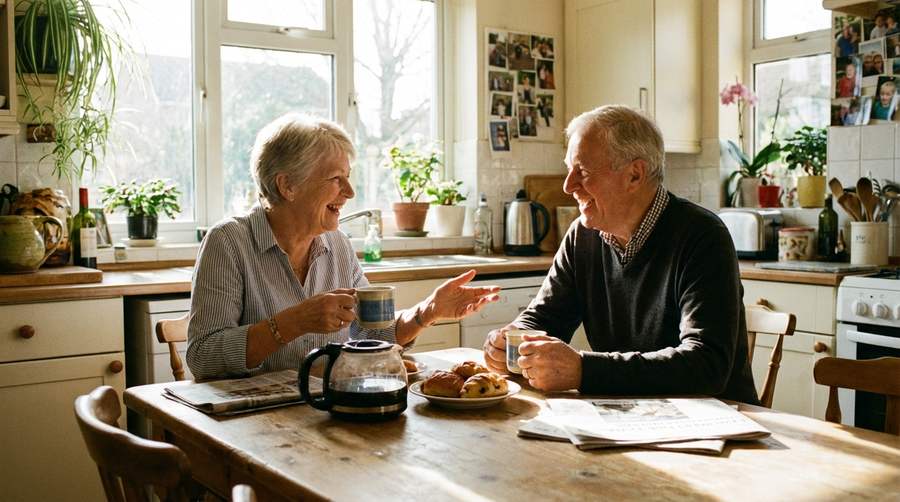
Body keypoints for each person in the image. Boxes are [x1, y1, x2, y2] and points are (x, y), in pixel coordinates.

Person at [482, 105, 760, 405]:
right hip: (626, 415)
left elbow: (707, 366)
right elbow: (545, 318)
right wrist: (512, 339)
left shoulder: (703, 236)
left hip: (719, 420)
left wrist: (584, 370)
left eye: (583, 171)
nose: (568, 185)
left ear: (634, 175)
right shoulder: (582, 236)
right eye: (569, 168)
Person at [187, 113, 501, 379]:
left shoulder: (337, 244)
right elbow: (203, 357)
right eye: (336, 178)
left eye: (348, 177)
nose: (350, 192)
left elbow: (370, 333)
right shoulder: (228, 243)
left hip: (322, 408)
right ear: (287, 185)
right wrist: (295, 321)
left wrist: (428, 311)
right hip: (251, 419)